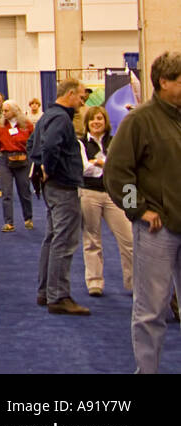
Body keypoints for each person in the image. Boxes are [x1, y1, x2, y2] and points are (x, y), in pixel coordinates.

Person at [104, 51, 181, 374]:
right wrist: (139, 209)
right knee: (151, 310)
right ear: (164, 82)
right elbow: (117, 173)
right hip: (158, 230)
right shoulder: (140, 120)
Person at [31, 79, 90, 315]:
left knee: (53, 238)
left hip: (53, 186)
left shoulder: (47, 116)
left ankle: (46, 291)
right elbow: (50, 146)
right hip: (63, 186)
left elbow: (32, 145)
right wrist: (49, 169)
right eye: (81, 97)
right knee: (64, 241)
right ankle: (58, 296)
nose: (83, 101)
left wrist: (42, 169)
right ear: (71, 93)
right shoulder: (61, 118)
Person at [79, 105, 132, 298]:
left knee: (128, 240)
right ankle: (94, 282)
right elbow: (83, 169)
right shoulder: (81, 144)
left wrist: (100, 163)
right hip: (89, 193)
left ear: (105, 121)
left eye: (100, 118)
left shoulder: (115, 141)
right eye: (92, 119)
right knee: (92, 239)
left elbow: (123, 165)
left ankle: (133, 282)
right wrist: (106, 164)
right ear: (87, 123)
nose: (96, 122)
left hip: (113, 195)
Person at [0, 99, 34, 231]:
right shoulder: (0, 126)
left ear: (15, 110)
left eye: (6, 110)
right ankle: (9, 222)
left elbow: (33, 143)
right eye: (3, 111)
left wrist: (30, 160)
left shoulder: (27, 124)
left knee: (24, 191)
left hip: (22, 160)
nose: (3, 113)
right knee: (6, 193)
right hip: (4, 160)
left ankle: (28, 218)